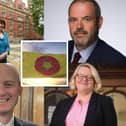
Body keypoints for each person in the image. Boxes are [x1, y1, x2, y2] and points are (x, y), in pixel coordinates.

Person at [50, 63, 117, 126]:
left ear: (95, 81)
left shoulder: (105, 102)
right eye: (80, 76)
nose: (84, 79)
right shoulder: (62, 104)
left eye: (90, 77)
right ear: (74, 79)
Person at [68, 0, 126, 67]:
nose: (79, 26)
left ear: (99, 22)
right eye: (73, 20)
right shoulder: (63, 49)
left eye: (87, 19)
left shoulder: (118, 62)